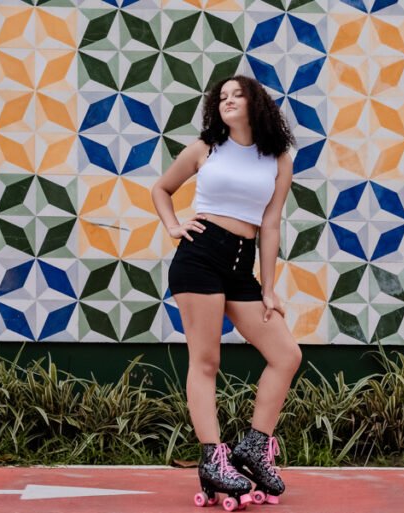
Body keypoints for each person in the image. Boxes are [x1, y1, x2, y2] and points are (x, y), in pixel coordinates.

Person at [151, 75, 302, 509]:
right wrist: (173, 225)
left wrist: (269, 288)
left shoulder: (278, 159)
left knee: (286, 354)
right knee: (206, 360)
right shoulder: (205, 149)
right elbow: (161, 189)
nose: (228, 101)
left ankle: (254, 447)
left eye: (237, 95)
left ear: (257, 103)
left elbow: (270, 225)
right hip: (200, 257)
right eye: (221, 97)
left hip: (241, 264)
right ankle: (213, 457)